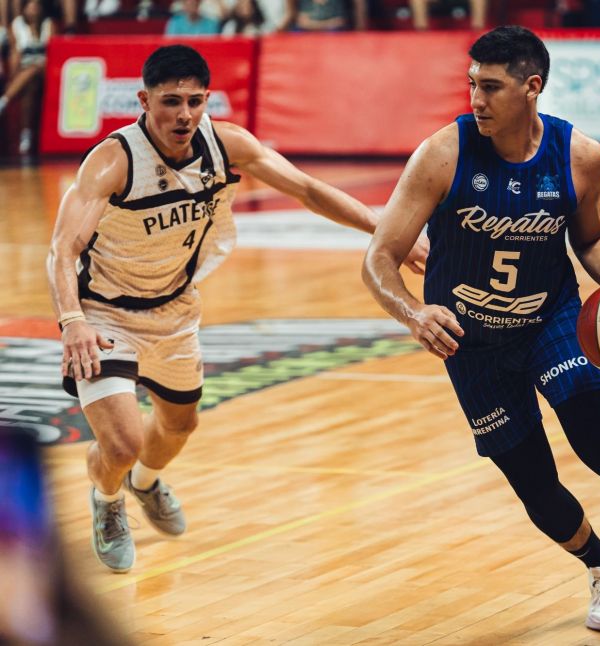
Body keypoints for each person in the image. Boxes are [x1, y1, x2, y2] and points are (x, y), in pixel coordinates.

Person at [363, 26, 600, 633]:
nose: (476, 99)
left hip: (550, 321)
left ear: (532, 87)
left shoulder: (579, 156)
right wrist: (413, 312)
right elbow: (379, 258)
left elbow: (592, 236)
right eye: (472, 84)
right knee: (534, 484)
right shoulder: (442, 155)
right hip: (471, 344)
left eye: (491, 87)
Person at [47, 44, 428, 573]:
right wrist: (73, 321)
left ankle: (145, 483)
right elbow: (63, 248)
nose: (184, 115)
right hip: (105, 313)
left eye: (194, 101)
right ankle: (108, 500)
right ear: (144, 100)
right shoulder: (114, 161)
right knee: (122, 443)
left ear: (207, 100)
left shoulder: (226, 145)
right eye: (170, 101)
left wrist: (387, 235)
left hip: (175, 310)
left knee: (179, 427)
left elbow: (309, 189)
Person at [0, 0, 53, 156]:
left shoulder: (48, 25)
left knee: (35, 67)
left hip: (46, 69)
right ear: (24, 9)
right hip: (27, 72)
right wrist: (13, 75)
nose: (34, 9)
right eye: (31, 6)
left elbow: (53, 50)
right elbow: (15, 53)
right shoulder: (17, 26)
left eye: (37, 5)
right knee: (30, 90)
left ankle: (4, 101)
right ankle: (26, 135)